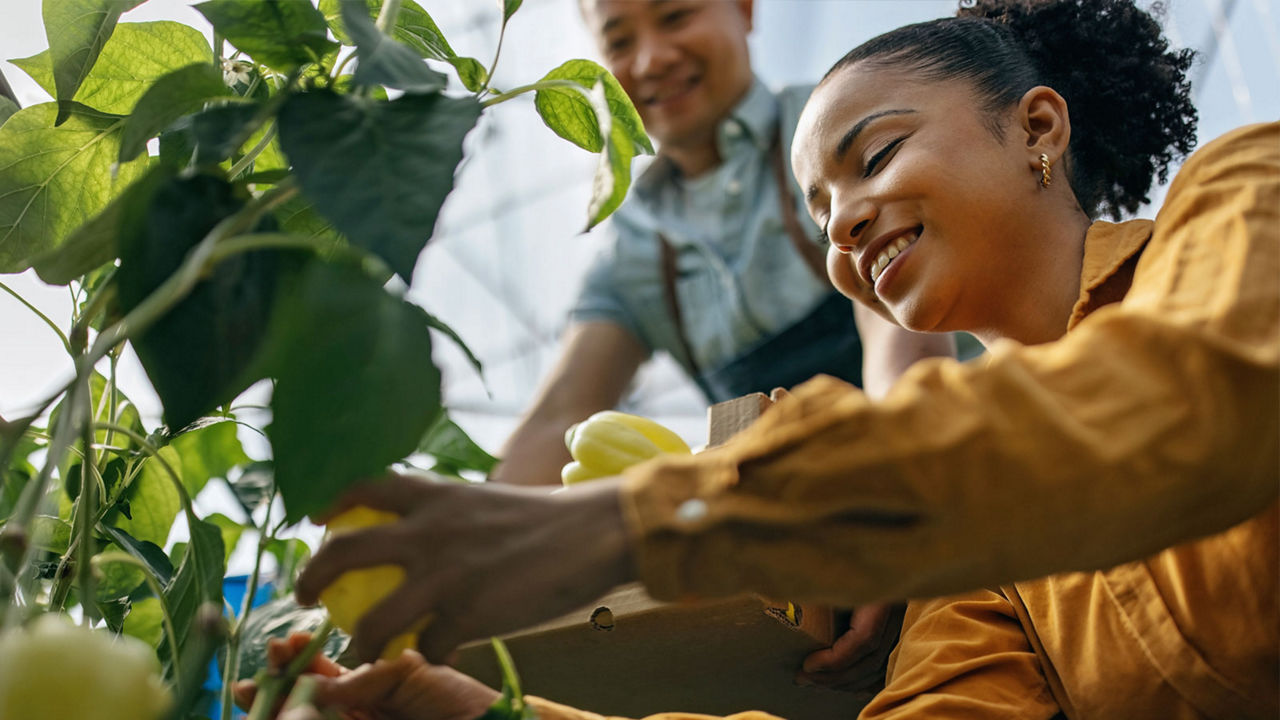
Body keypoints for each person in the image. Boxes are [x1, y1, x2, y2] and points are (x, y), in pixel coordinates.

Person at [267, 0, 1278, 718]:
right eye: (818, 215)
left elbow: (1180, 406)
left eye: (873, 158)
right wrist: (474, 709)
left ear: (1038, 128)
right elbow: (557, 411)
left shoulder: (1243, 188)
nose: (842, 228)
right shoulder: (986, 579)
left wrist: (645, 522)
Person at [490, 0, 952, 694]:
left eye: (675, 15)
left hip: (944, 491)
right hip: (809, 574)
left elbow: (896, 328)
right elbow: (558, 419)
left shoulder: (826, 133)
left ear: (743, 9)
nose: (651, 58)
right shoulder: (633, 252)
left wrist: (899, 495)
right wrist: (459, 556)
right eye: (619, 39)